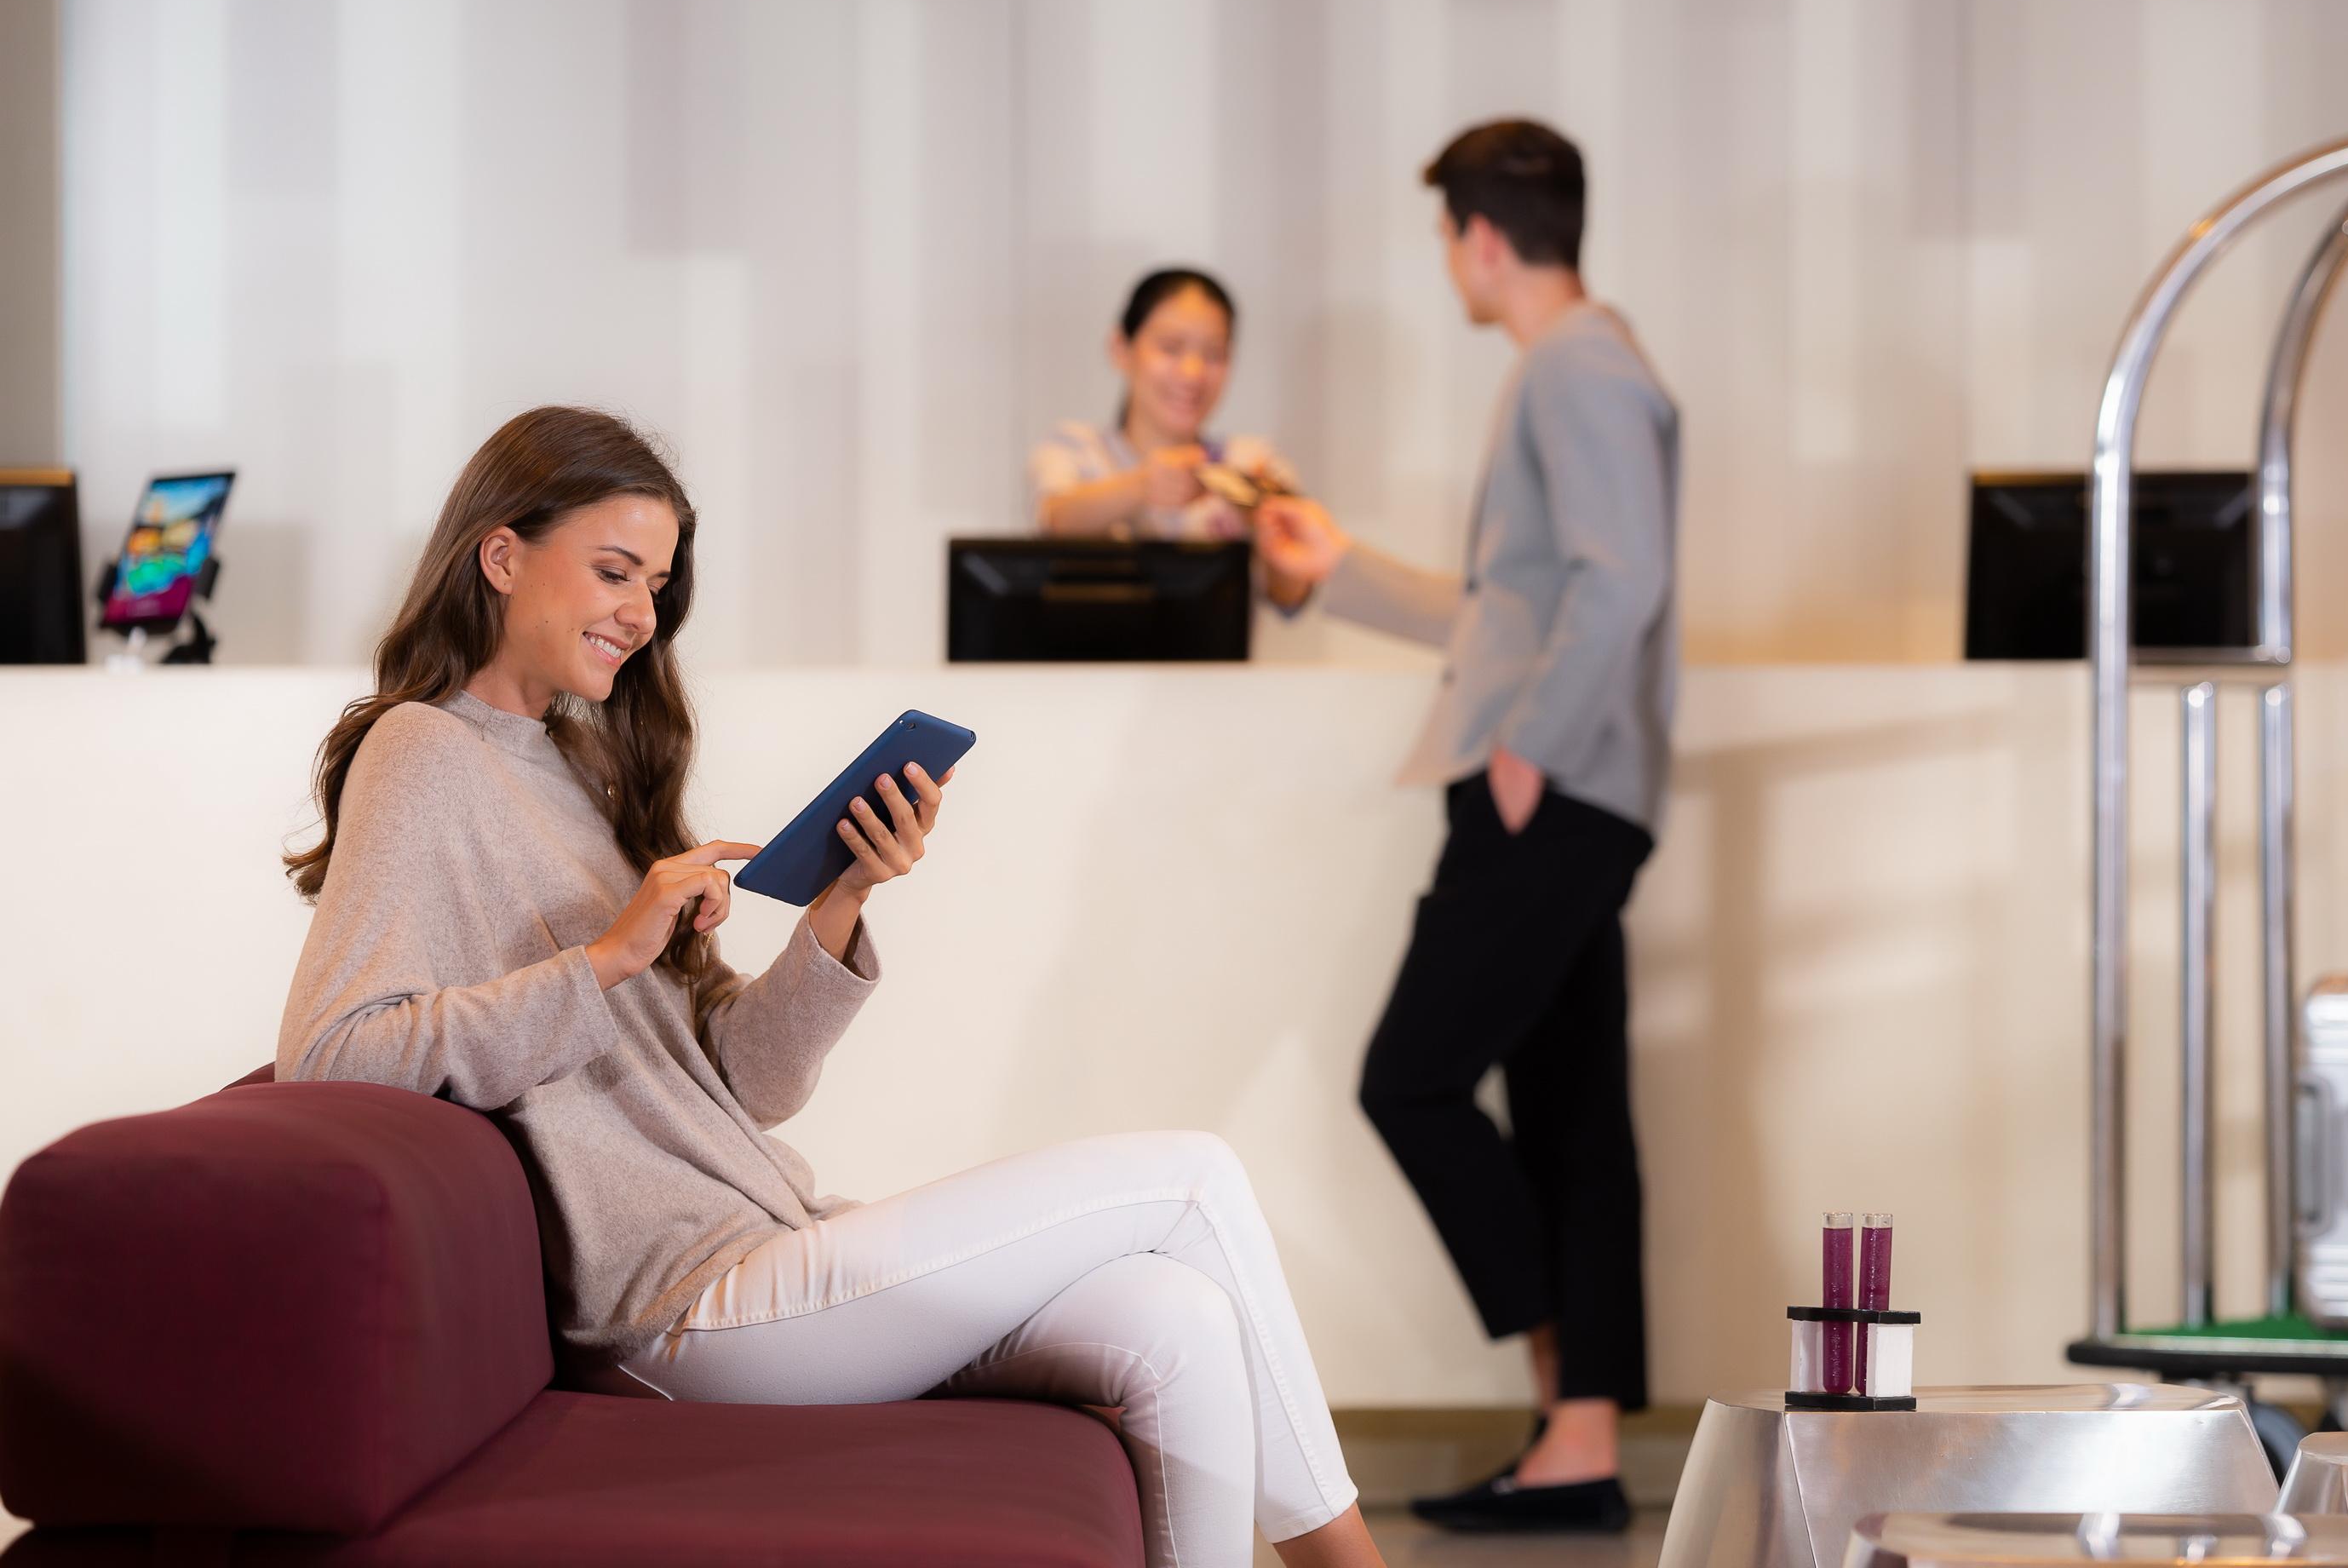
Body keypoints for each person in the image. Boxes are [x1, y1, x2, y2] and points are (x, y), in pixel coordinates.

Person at [276, 406, 1383, 1568]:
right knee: (1194, 1181)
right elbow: (333, 1055)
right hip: (679, 1305)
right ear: (502, 557)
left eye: (655, 583)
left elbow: (745, 1089)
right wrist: (608, 958)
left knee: (1181, 1324)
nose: (641, 616)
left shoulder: (577, 760)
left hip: (771, 1241)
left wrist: (838, 907)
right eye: (612, 572)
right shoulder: (420, 752)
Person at [1256, 121, 1679, 1536]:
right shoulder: (1575, 368)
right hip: (1561, 784)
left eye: (1448, 236)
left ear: (1483, 237)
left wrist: (1524, 754)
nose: (1449, 259)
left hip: (1548, 791)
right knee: (1572, 1119)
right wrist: (1340, 574)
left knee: (1411, 1079)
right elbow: (1511, 608)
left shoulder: (1575, 367)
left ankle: (1569, 1394)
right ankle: (1578, 1440)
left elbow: (1622, 588)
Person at [1032, 267, 1311, 608]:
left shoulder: (1253, 464)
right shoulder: (1075, 448)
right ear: (1121, 348)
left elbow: (1291, 596)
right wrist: (1141, 486)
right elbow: (1054, 521)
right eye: (1170, 348)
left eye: (1214, 354)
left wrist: (1268, 529)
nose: (1192, 373)